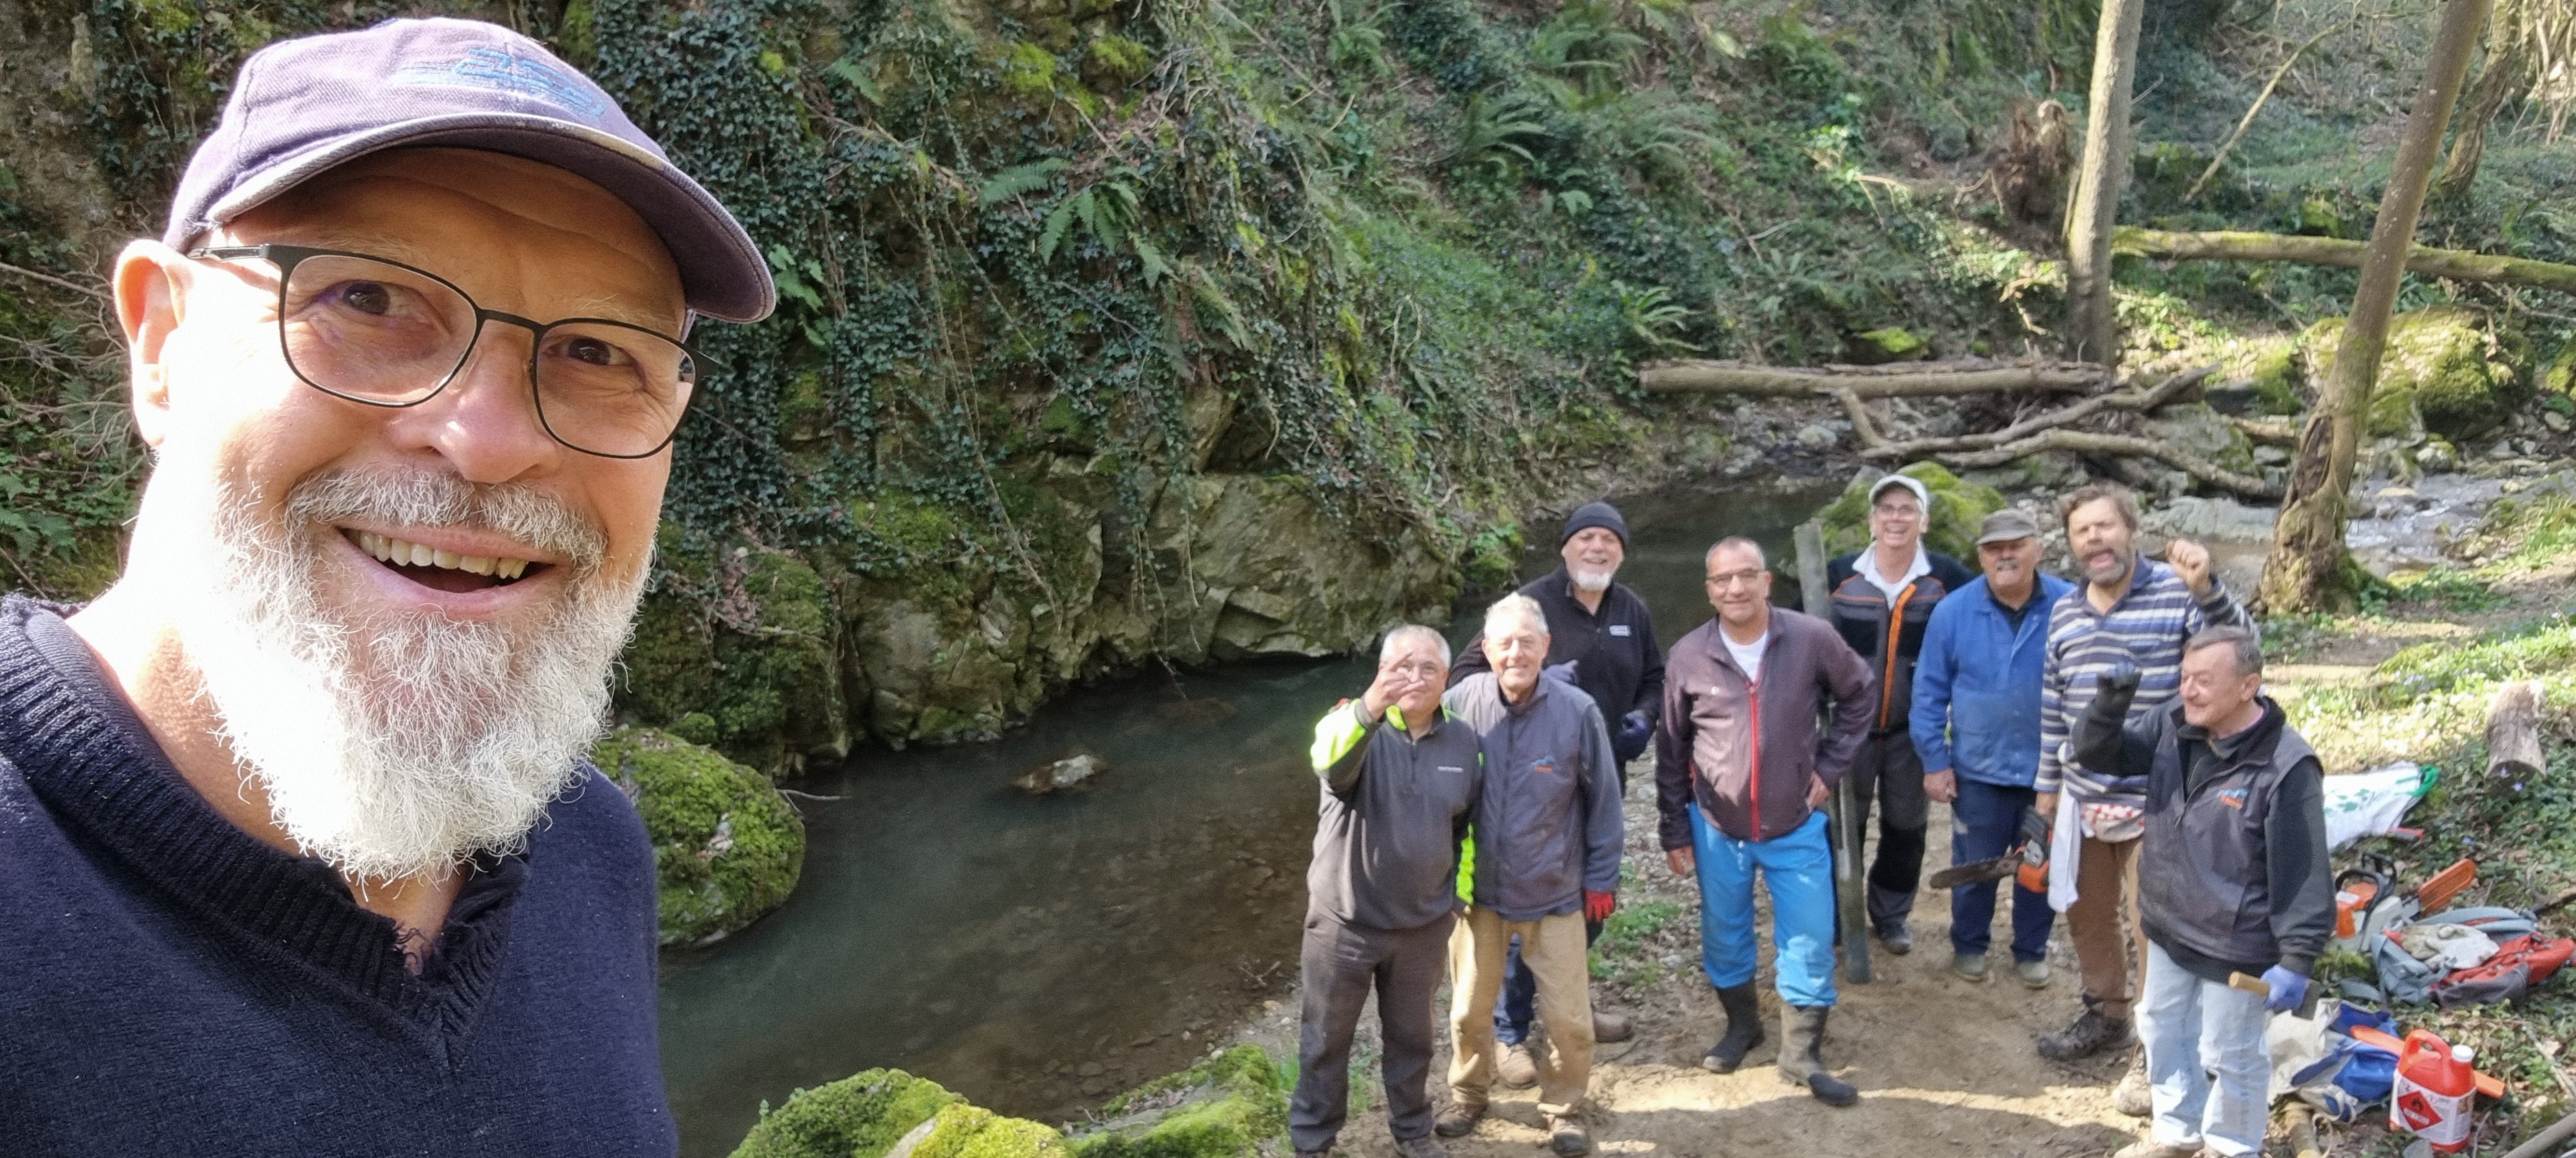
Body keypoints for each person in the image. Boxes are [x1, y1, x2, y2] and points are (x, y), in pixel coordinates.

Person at [0, 19, 773, 1155]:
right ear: (161, 345)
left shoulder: (588, 846)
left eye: (599, 353)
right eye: (368, 300)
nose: (490, 443)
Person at [2033, 483, 2255, 1119]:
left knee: (2153, 927)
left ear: (2130, 530)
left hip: (2160, 795)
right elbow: (2054, 705)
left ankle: (2153, 1048)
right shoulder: (2066, 611)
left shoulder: (2176, 594)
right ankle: (2105, 1011)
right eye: (2082, 531)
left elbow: (2242, 652)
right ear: (2070, 544)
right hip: (2083, 798)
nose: (2094, 539)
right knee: (2086, 914)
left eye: (2104, 526)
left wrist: (2206, 587)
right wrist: (2045, 791)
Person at [2072, 628, 2331, 1158]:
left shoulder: (2286, 765)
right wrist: (2108, 705)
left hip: (2236, 943)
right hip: (2168, 924)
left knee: (2229, 1052)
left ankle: (2231, 1146)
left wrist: (2297, 959)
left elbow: (2304, 869)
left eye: (2203, 681)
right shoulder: (2176, 723)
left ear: (2248, 686)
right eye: (2184, 677)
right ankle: (2178, 1133)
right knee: (2162, 1029)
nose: (2187, 690)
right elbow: (2098, 753)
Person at [1657, 537, 1874, 1107]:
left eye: (1746, 575)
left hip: (1795, 823)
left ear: (1766, 581)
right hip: (1716, 827)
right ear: (1709, 590)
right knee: (1724, 932)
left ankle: (1801, 1053)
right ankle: (1743, 1026)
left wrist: (1830, 765)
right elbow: (1671, 747)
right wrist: (1674, 828)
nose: (1735, 588)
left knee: (1809, 936)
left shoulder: (1810, 638)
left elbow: (1860, 694)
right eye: (1722, 579)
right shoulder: (1689, 655)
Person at [1450, 499, 1663, 1074]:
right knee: (1526, 909)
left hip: (1601, 773)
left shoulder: (1631, 608)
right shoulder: (1529, 606)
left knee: (1586, 905)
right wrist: (1539, 680)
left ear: (1622, 552)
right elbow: (1466, 677)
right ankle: (1511, 1032)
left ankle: (1568, 1005)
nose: (1597, 547)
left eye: (1609, 539)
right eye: (1585, 537)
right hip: (1528, 783)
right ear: (1565, 547)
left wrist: (1644, 718)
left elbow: (1655, 677)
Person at [1435, 595, 1626, 1157]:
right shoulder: (1459, 704)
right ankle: (1468, 1095)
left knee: (1570, 1020)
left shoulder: (1577, 711)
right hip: (1479, 898)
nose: (1515, 652)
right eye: (1505, 643)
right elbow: (1424, 776)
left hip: (1556, 894)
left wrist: (1601, 879)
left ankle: (1564, 1108)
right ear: (1487, 649)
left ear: (1546, 647)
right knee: (1468, 1013)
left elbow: (1605, 802)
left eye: (1527, 642)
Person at [1293, 626, 1485, 1158]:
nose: (1415, 678)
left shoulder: (1466, 742)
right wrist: (1370, 708)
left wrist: (1457, 898)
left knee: (1413, 1041)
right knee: (1324, 1041)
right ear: (1381, 672)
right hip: (1343, 924)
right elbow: (1328, 764)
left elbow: (1467, 829)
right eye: (1402, 666)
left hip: (1422, 926)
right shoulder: (1349, 723)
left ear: (1446, 678)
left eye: (1428, 669)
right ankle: (1313, 1142)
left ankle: (1412, 1132)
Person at [1910, 508, 2074, 986]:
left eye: (2015, 545)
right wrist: (1935, 761)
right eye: (1994, 548)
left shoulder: (2070, 605)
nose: (2005, 556)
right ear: (1980, 557)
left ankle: (2031, 949)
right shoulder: (1952, 612)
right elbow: (1928, 692)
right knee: (1974, 866)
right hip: (1978, 769)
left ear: (2038, 549)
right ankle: (1969, 944)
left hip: (2050, 772)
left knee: (2039, 864)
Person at [1825, 474, 1977, 954]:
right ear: (1871, 521)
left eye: (1907, 508)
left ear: (1924, 521)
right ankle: (1837, 915)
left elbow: (1982, 629)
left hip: (1912, 733)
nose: (1896, 517)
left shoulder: (1949, 579)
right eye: (1886, 509)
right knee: (1841, 828)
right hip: (1846, 733)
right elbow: (1795, 640)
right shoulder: (1837, 575)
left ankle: (1890, 916)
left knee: (1906, 829)